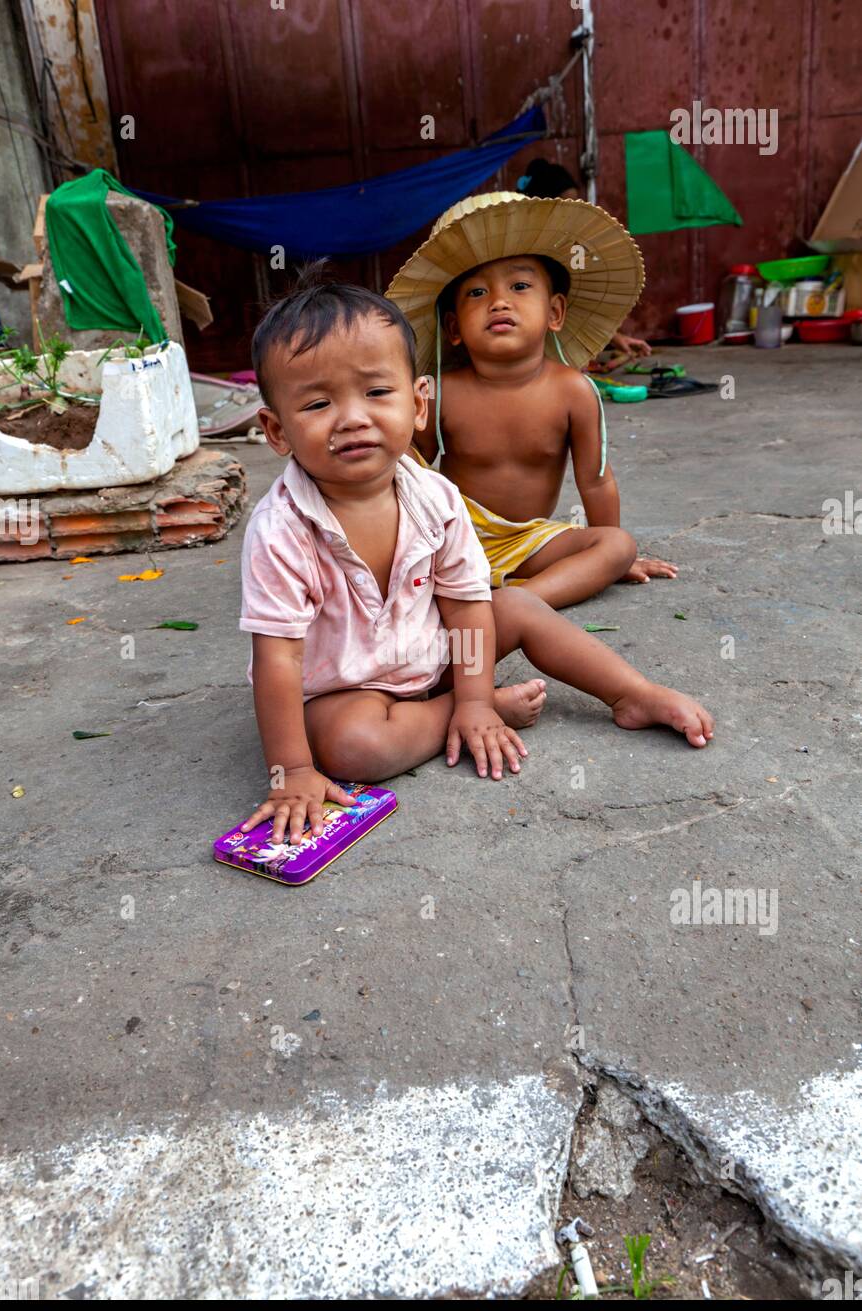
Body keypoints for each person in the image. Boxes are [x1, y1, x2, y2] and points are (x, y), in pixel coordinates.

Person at [239, 268, 713, 845]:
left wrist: (467, 693)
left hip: (437, 653)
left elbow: (465, 609)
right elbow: (279, 661)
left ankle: (631, 694)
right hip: (349, 687)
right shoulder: (281, 529)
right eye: (317, 403)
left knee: (512, 606)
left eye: (377, 392)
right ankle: (478, 709)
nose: (353, 417)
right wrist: (293, 773)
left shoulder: (436, 497)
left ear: (418, 405)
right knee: (350, 747)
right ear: (276, 429)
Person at [386, 191, 678, 608]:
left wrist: (610, 558)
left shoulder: (573, 391)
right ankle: (470, 587)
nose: (499, 301)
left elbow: (595, 480)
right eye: (476, 294)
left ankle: (511, 602)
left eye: (520, 286)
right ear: (453, 327)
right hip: (451, 538)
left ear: (555, 312)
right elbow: (412, 472)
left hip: (529, 542)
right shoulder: (441, 392)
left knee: (617, 546)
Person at [517, 157, 652, 360]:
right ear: (542, 207)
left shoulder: (573, 247)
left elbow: (578, 302)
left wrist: (615, 337)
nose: (573, 212)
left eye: (576, 203)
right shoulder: (521, 247)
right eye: (564, 205)